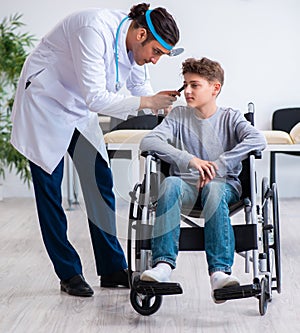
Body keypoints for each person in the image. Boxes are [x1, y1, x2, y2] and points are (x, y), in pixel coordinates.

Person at [10, 3, 182, 297]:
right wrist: (148, 103)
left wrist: (162, 111)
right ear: (141, 34)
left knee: (99, 180)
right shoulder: (92, 30)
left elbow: (142, 90)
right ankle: (68, 272)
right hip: (45, 101)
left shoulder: (132, 44)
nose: (155, 60)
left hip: (76, 106)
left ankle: (112, 266)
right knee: (50, 190)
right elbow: (97, 99)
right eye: (156, 53)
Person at [139, 57, 267, 303]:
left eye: (194, 85)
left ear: (214, 88)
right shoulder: (178, 116)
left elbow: (257, 140)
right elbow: (149, 142)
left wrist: (218, 165)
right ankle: (163, 266)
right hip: (184, 187)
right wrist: (190, 160)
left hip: (223, 188)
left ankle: (219, 273)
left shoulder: (231, 117)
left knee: (214, 189)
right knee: (170, 183)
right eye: (185, 84)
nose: (186, 90)